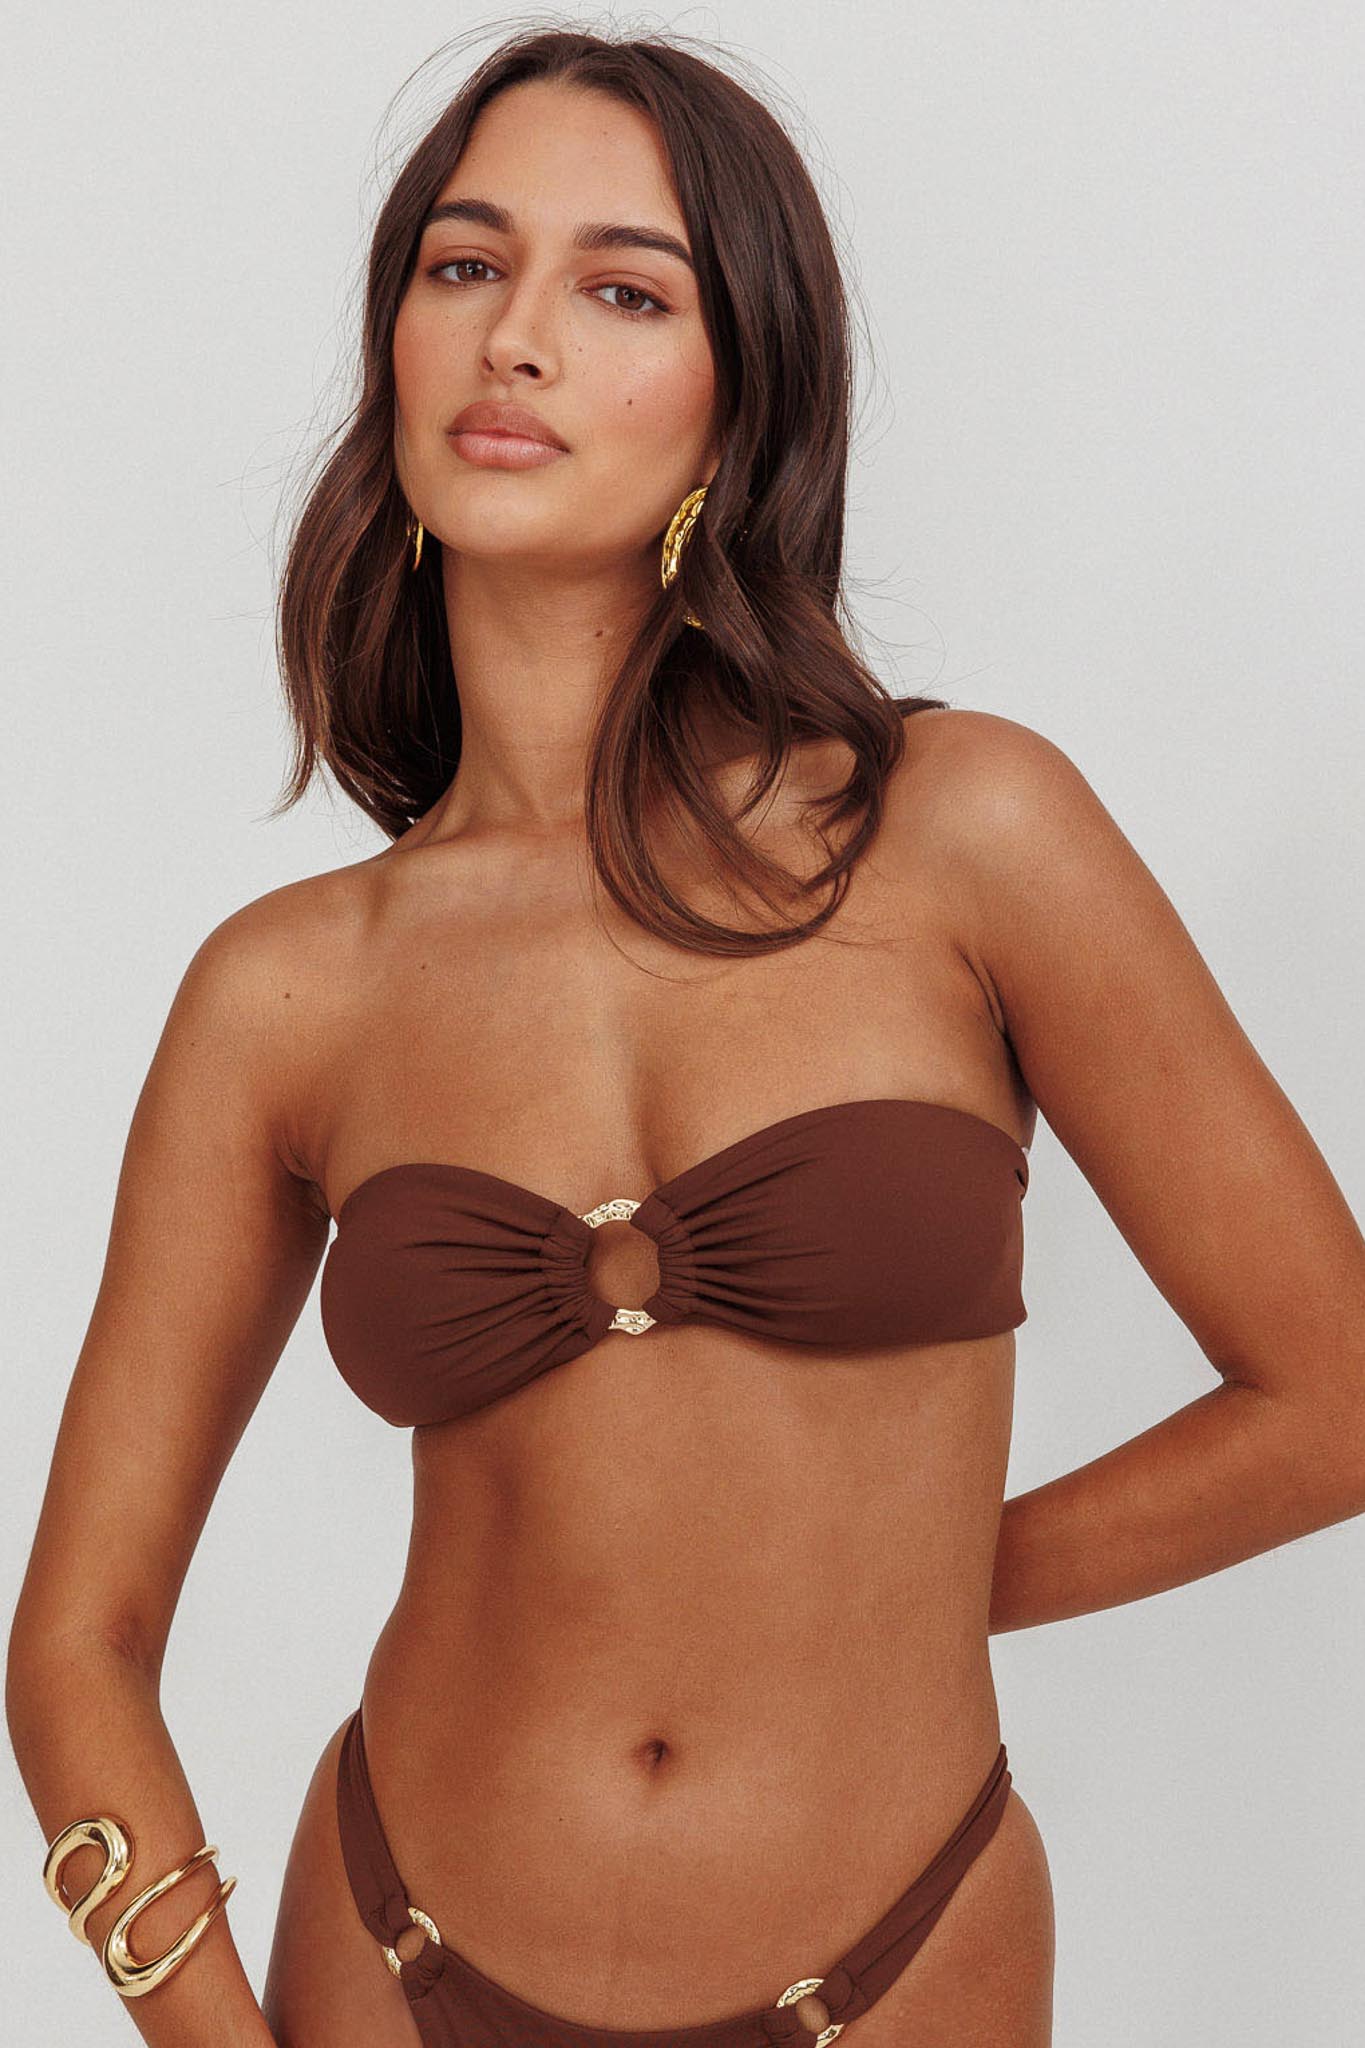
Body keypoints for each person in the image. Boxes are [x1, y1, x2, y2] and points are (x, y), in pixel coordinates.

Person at [11, 25, 1365, 2048]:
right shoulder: (286, 989)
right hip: (387, 1955)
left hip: (898, 1960)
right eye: (466, 265)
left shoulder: (960, 828)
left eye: (623, 290)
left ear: (744, 403)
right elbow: (79, 1639)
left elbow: (1332, 1393)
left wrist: (903, 1589)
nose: (516, 338)